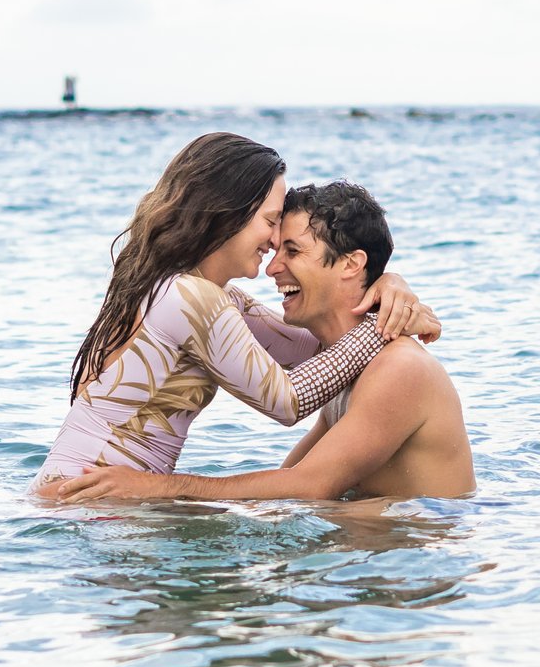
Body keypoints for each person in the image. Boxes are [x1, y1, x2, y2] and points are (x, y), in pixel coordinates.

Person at [33, 135, 438, 491]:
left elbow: (321, 346)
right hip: (93, 497)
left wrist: (385, 284)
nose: (275, 240)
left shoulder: (200, 294)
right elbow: (289, 401)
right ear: (229, 215)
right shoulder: (190, 299)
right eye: (271, 221)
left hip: (89, 493)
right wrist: (380, 326)